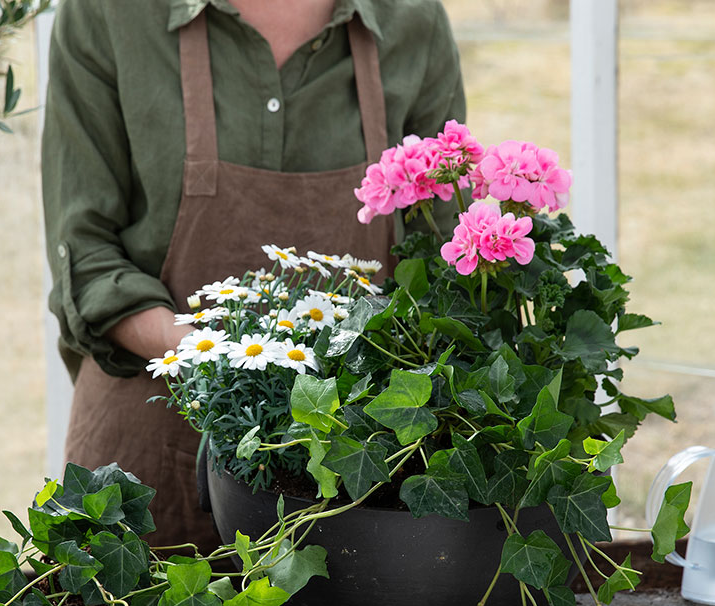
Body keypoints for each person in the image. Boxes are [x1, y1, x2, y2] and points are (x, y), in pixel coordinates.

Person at [42, 0, 466, 552]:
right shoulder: (109, 14)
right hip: (147, 455)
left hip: (356, 474)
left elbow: (441, 265)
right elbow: (87, 252)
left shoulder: (413, 20)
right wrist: (221, 363)